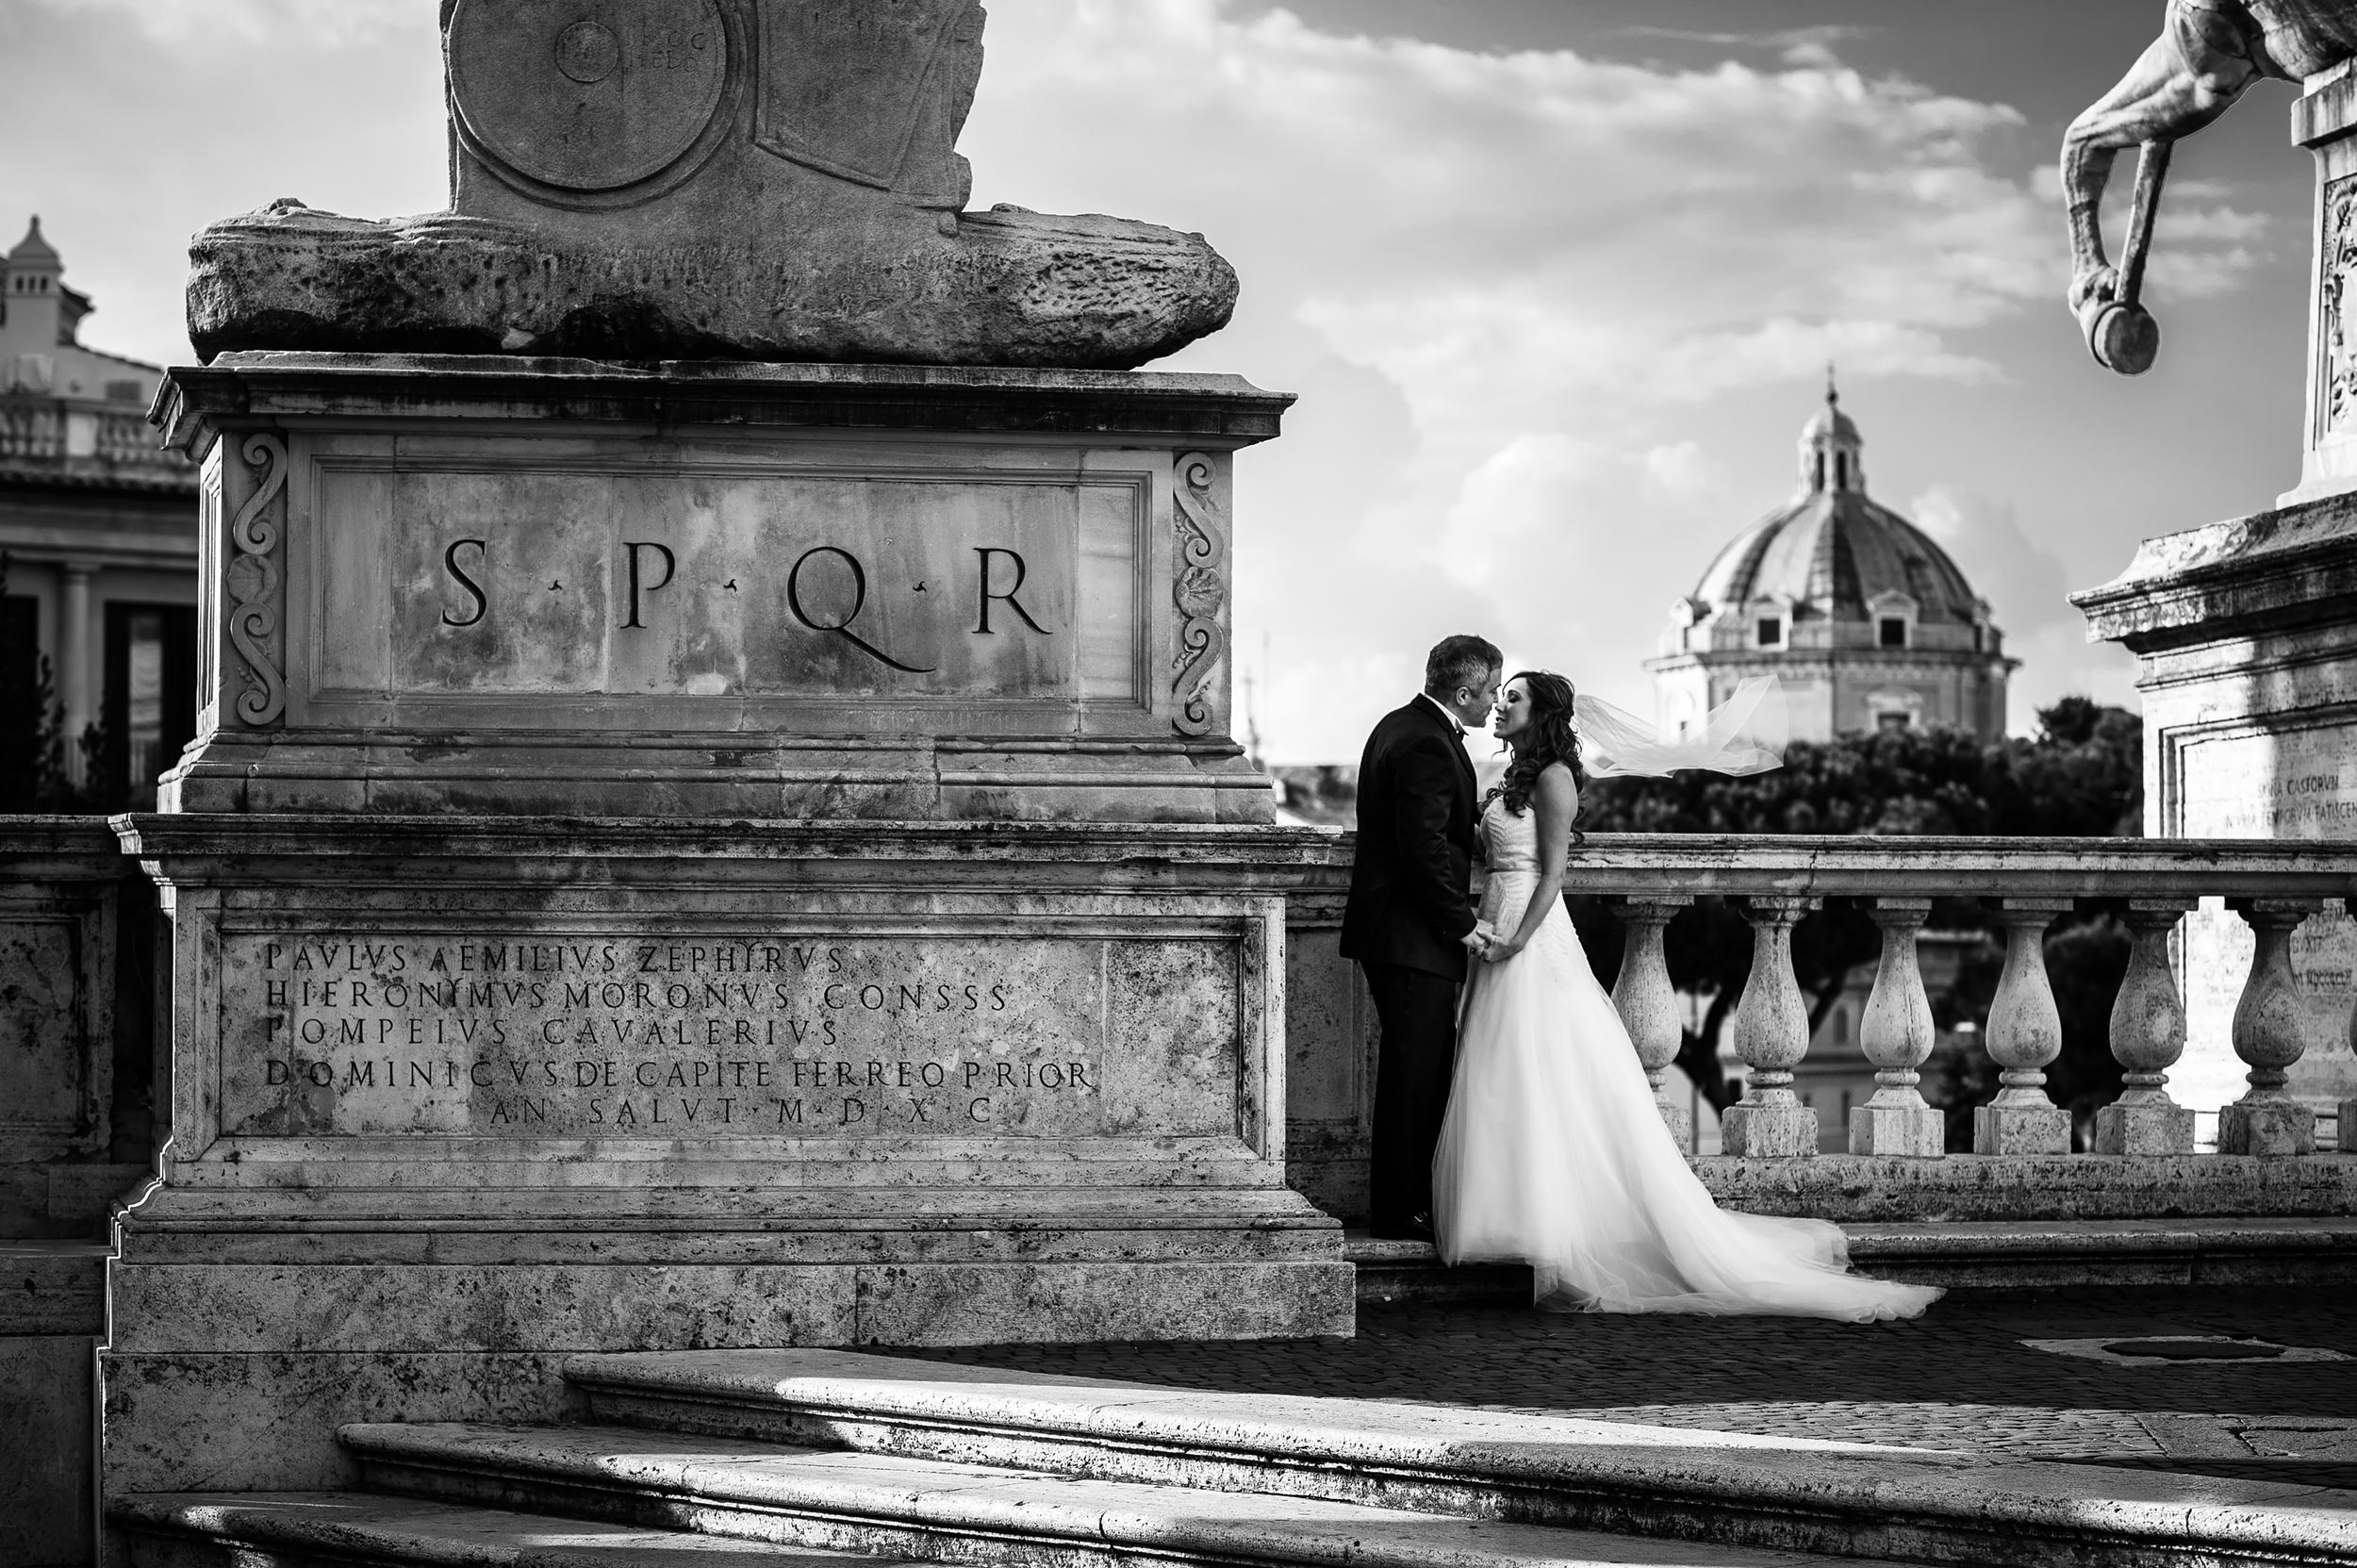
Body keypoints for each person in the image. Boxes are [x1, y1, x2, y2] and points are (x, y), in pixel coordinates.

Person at [1433, 670, 1942, 1321]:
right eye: (1500, 695)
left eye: (1514, 698)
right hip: (1495, 922)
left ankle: (1562, 1244)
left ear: (1542, 714)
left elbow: (1554, 874)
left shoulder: (1555, 778)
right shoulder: (1508, 778)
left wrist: (1515, 941)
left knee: (1544, 1075)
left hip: (1528, 934)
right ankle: (1514, 1221)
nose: (1500, 704)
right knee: (1504, 1075)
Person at [1341, 634, 1501, 1242]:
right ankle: (1402, 1210)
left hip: (1399, 931)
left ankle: (1408, 1203)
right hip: (1411, 935)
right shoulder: (1427, 742)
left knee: (1418, 1068)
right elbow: (1424, 847)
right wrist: (1462, 923)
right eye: (1489, 691)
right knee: (1414, 1075)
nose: (1492, 703)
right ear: (1462, 692)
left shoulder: (1398, 725)